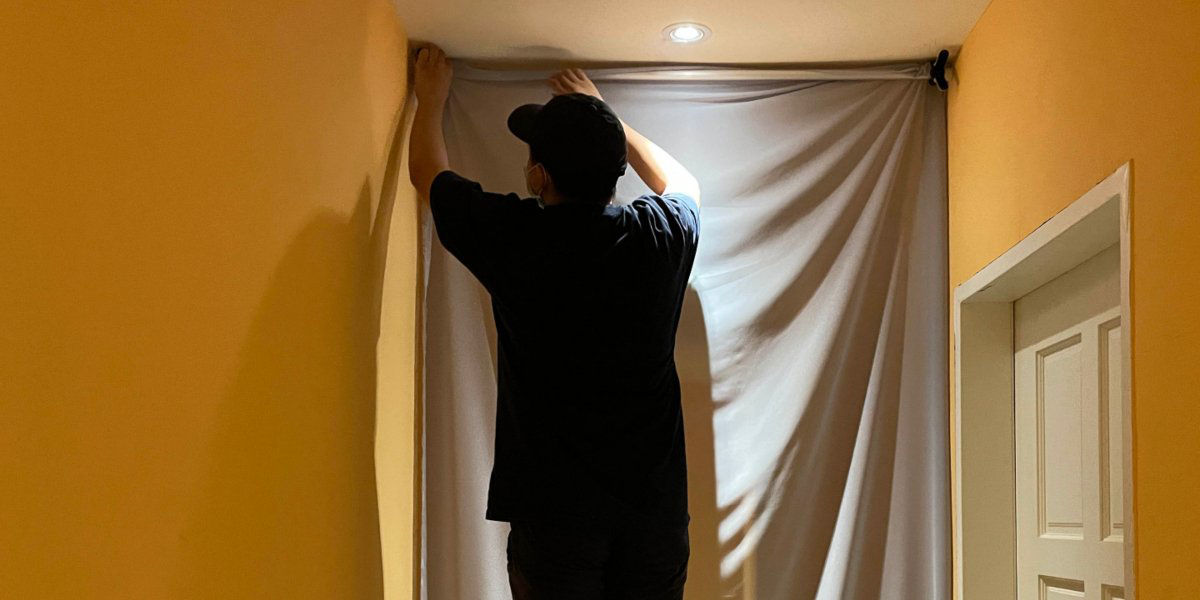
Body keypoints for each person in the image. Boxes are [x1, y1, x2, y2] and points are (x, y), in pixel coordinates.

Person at [408, 44, 701, 600]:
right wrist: (606, 115)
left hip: (554, 513)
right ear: (616, 171)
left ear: (538, 175)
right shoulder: (655, 239)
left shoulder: (517, 237)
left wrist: (431, 100)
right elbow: (684, 184)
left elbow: (428, 174)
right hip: (653, 511)